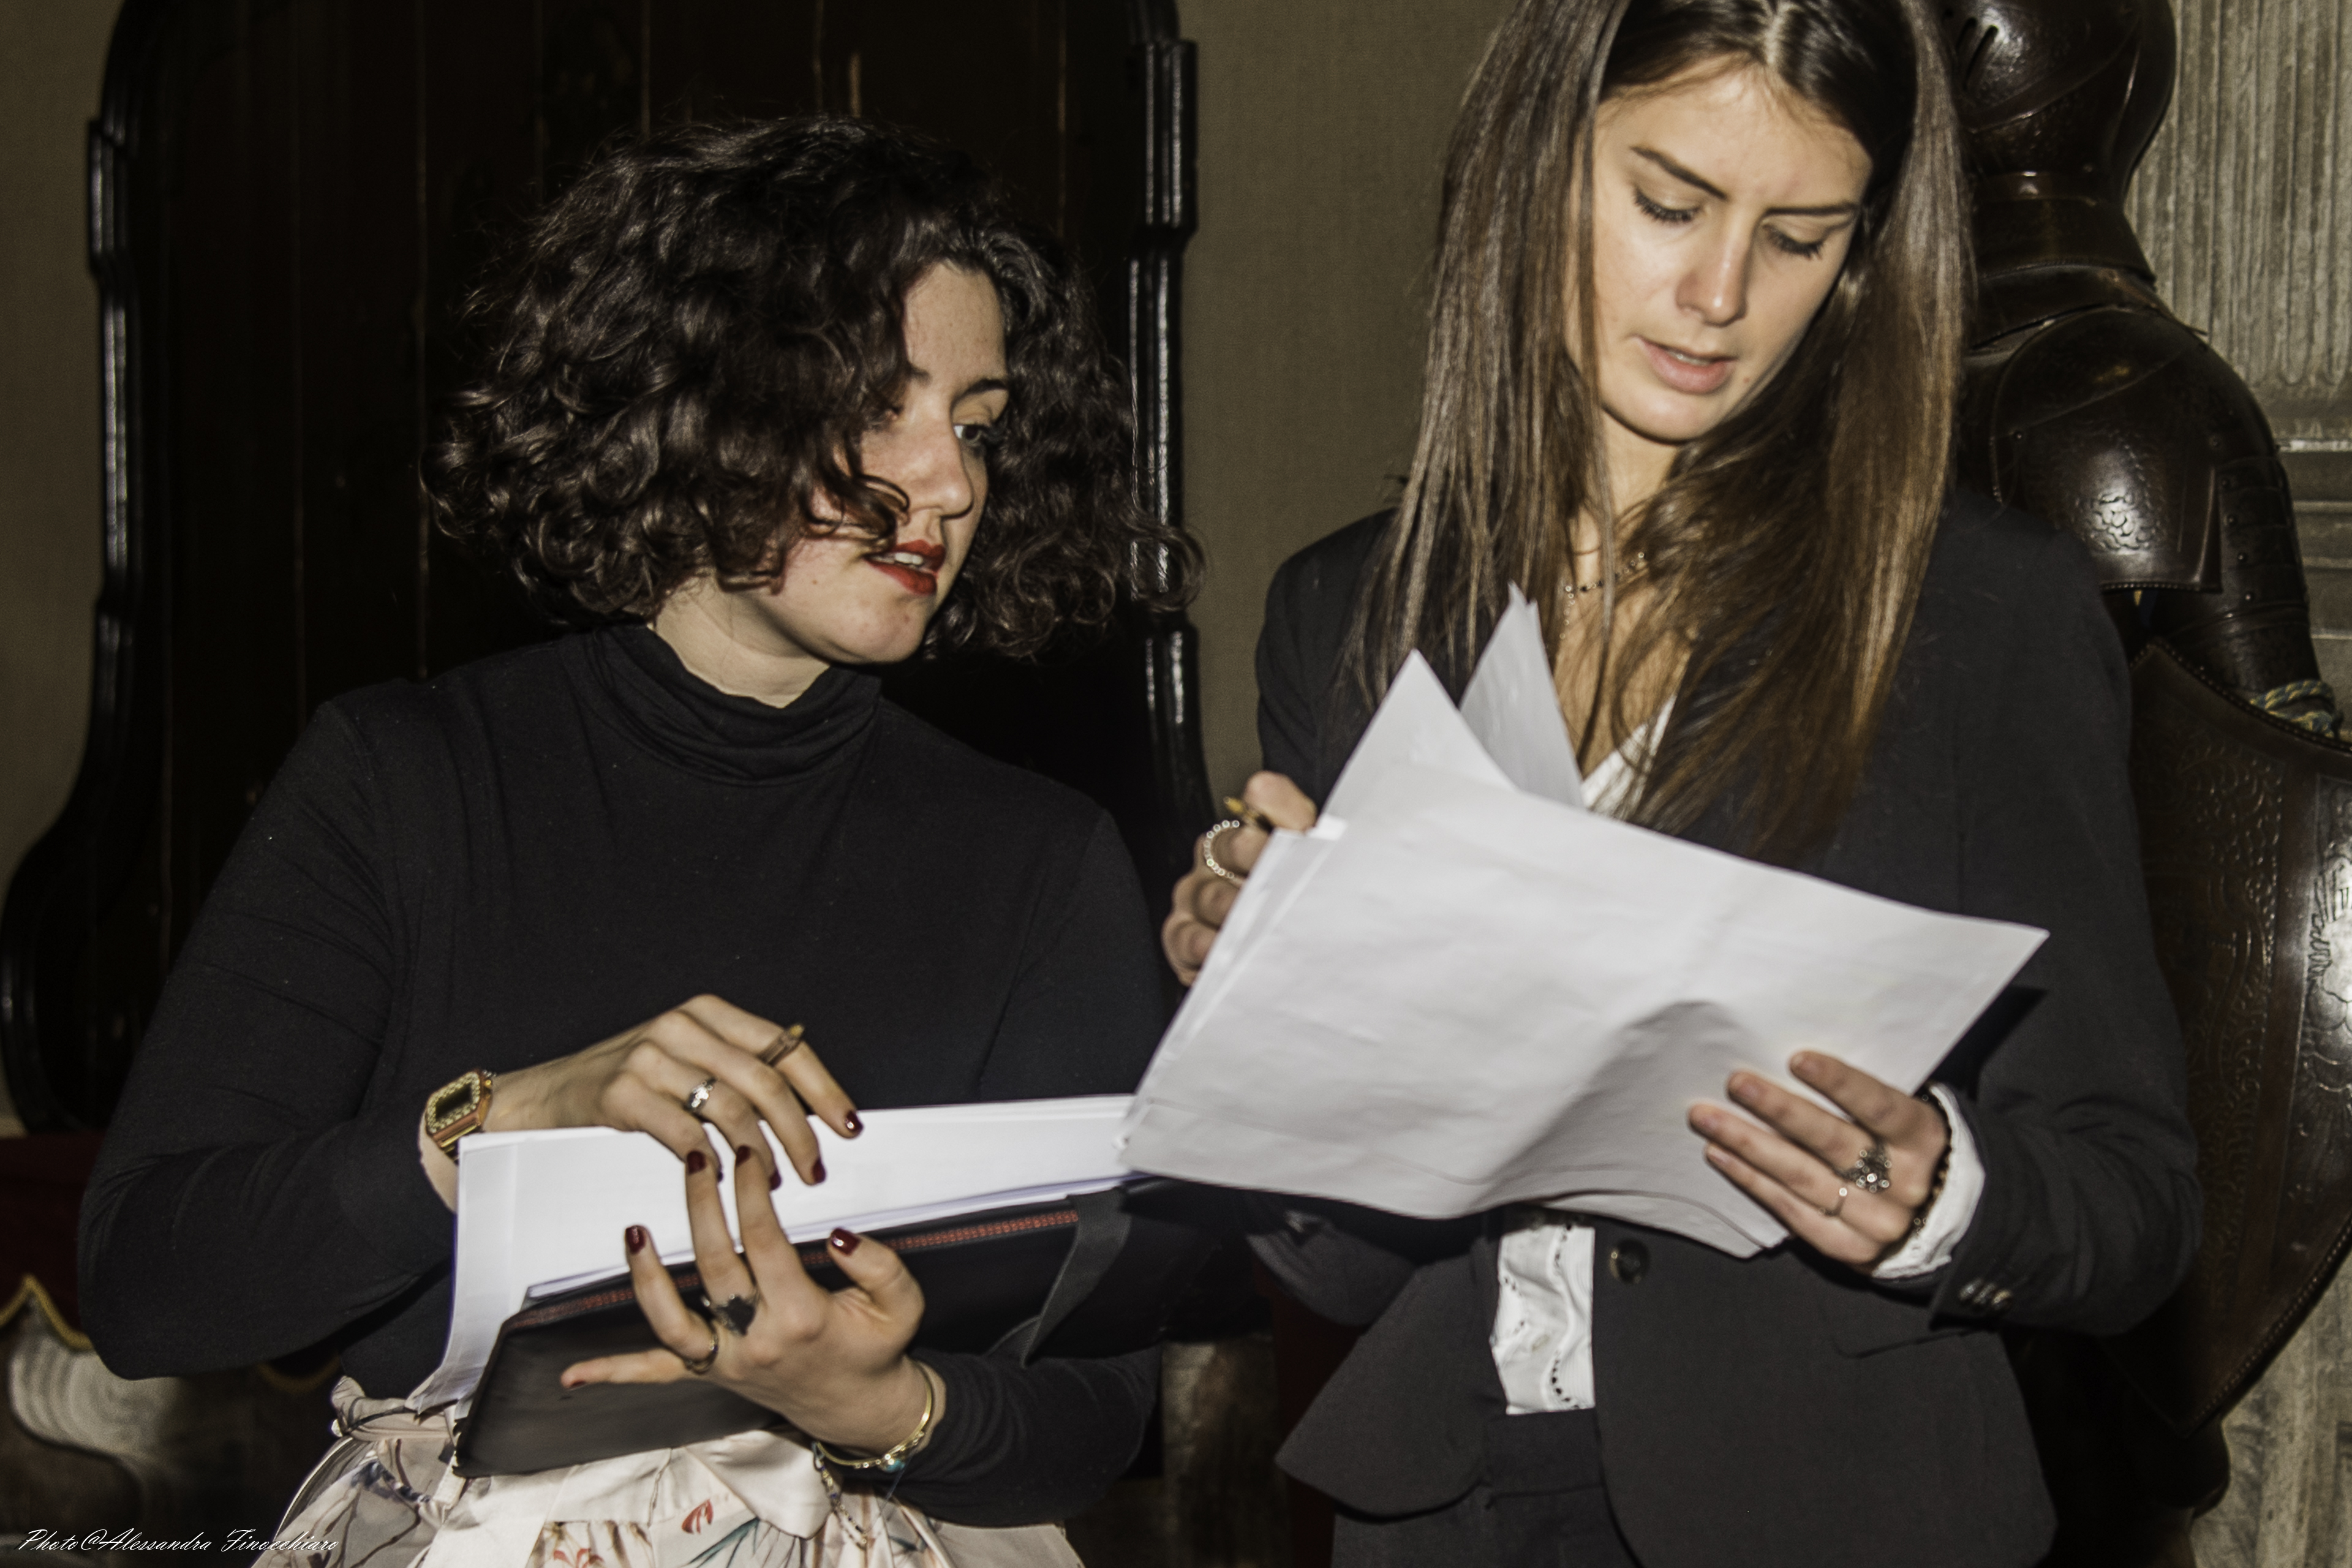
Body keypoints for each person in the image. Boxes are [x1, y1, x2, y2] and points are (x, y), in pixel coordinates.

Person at [1161, 1, 2198, 1564]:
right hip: (1443, 1507)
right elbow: (1339, 1271)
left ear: (1862, 255)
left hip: (1835, 1511)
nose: (1720, 297)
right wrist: (1266, 1014)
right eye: (1669, 204)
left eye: (1798, 238)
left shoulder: (1979, 615)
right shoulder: (1350, 609)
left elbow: (2135, 1200)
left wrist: (1942, 1197)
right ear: (1532, 171)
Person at [79, 116, 1194, 1565]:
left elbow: (1099, 1407)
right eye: (879, 404)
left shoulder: (1040, 858)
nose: (951, 482)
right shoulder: (407, 778)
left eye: (976, 425)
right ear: (695, 400)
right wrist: (494, 1126)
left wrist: (875, 1404)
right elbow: (145, 1285)